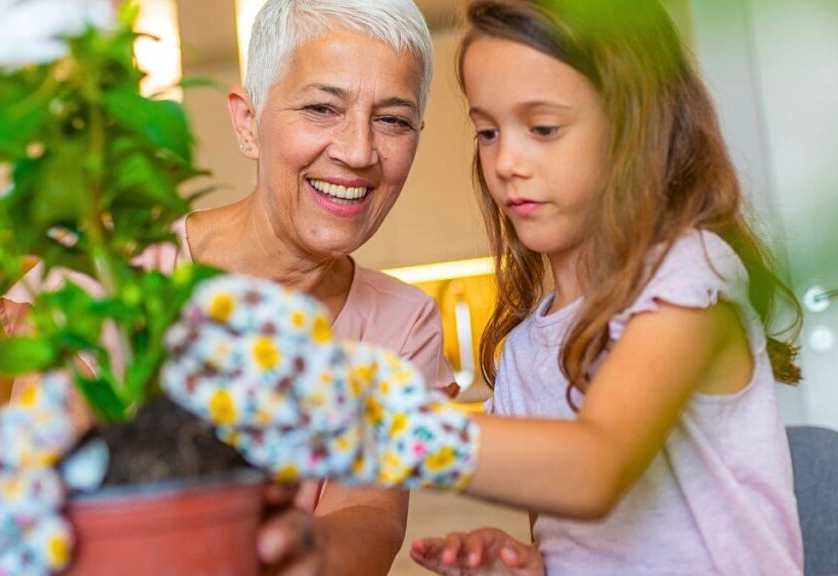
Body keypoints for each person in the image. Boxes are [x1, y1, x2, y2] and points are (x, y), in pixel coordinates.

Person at [159, 1, 805, 574]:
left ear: (636, 129)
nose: (506, 162)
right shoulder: (525, 353)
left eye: (543, 129)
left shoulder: (690, 277)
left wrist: (366, 419)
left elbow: (593, 469)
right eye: (489, 131)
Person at [1, 0, 456, 573]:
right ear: (247, 123)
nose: (359, 151)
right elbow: (32, 504)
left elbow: (370, 512)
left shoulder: (402, 323)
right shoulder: (104, 277)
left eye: (392, 119)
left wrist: (282, 550)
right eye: (321, 108)